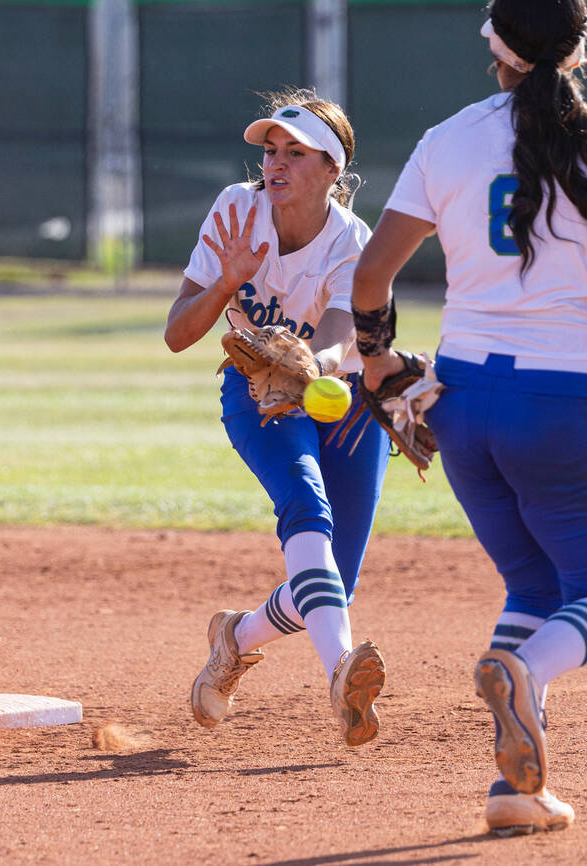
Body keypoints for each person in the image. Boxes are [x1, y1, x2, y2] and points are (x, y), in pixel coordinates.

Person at [351, 0, 587, 837]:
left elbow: (371, 278)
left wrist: (382, 367)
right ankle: (522, 673)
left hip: (461, 404)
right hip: (568, 402)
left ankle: (516, 791)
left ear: (496, 46)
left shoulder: (449, 137)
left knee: (535, 586)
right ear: (576, 46)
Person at [165, 89, 391, 747]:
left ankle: (235, 637)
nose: (276, 165)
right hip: (255, 392)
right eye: (270, 151)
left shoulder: (353, 242)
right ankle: (342, 672)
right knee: (307, 511)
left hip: (339, 400)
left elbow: (343, 332)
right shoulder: (237, 212)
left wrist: (308, 361)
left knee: (329, 585)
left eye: (296, 153)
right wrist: (223, 282)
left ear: (332, 171)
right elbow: (179, 334)